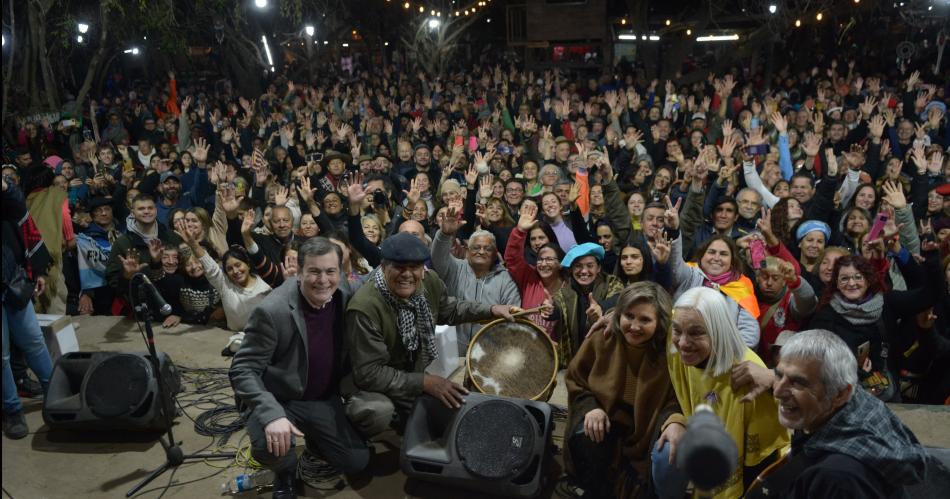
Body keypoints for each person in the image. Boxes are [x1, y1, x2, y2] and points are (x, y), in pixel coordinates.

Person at [342, 232, 521, 437]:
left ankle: (404, 416)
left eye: (414, 267)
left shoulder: (428, 282)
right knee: (379, 411)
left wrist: (491, 310)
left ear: (422, 269)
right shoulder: (365, 307)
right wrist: (425, 382)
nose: (407, 274)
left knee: (455, 407)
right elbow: (369, 374)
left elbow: (450, 310)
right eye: (399, 267)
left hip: (407, 374)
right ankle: (349, 439)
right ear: (383, 267)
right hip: (368, 384)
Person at [230, 238, 370, 499]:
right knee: (271, 447)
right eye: (314, 272)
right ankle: (285, 471)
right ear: (299, 273)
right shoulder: (272, 311)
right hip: (278, 397)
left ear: (340, 272)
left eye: (330, 272)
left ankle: (315, 439)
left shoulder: (344, 294)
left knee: (357, 461)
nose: (323, 280)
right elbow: (242, 370)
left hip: (319, 397)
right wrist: (271, 414)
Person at [744, 330, 929, 498]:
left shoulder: (838, 478)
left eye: (798, 382)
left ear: (840, 393)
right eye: (779, 375)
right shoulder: (858, 404)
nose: (777, 391)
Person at [654, 287, 789, 499]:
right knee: (664, 454)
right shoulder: (677, 342)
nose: (682, 343)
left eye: (696, 333)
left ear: (719, 331)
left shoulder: (748, 374)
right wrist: (612, 316)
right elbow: (642, 317)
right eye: (677, 330)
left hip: (750, 468)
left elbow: (762, 458)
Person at [565, 282, 683, 499]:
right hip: (605, 418)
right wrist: (590, 407)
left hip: (644, 429)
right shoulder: (603, 336)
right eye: (629, 316)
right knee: (587, 435)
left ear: (660, 322)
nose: (634, 326)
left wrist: (675, 419)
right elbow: (576, 377)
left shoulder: (670, 352)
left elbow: (677, 397)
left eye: (645, 320)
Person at [2, 178, 54, 440]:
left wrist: (36, 271)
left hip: (12, 280)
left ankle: (56, 391)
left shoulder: (6, 192)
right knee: (1, 357)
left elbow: (17, 205)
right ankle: (12, 410)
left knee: (34, 341)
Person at [431, 207, 521, 355]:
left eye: (487, 249)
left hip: (491, 353)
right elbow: (437, 257)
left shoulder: (505, 279)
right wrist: (445, 234)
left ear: (495, 254)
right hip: (453, 351)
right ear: (467, 251)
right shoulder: (455, 268)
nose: (481, 251)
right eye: (476, 247)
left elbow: (513, 315)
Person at [175, 219, 272, 331]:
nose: (235, 271)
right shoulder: (225, 285)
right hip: (234, 338)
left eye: (238, 265)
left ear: (248, 264)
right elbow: (209, 265)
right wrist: (193, 244)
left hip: (265, 337)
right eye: (229, 269)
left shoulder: (265, 283)